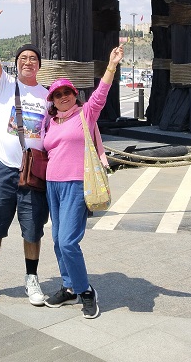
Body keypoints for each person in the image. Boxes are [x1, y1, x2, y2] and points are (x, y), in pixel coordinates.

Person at [43, 44, 124, 319]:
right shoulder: (50, 122)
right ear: (52, 100)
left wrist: (111, 65)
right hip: (52, 185)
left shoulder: (85, 114)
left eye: (67, 92)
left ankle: (86, 291)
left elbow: (101, 94)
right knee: (57, 241)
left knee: (68, 241)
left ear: (75, 95)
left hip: (77, 183)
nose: (63, 97)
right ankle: (69, 287)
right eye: (58, 94)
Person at [0, 0, 49, 307]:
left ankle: (31, 279)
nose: (28, 62)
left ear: (39, 65)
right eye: (23, 58)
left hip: (33, 172)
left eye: (33, 58)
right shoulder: (6, 85)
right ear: (16, 64)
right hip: (4, 167)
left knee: (32, 230)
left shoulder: (48, 96)